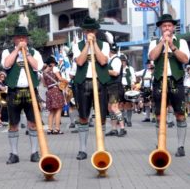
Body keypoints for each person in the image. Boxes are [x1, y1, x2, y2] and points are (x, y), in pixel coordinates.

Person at [148, 14, 190, 157]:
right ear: (160, 28)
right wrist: (162, 43)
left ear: (173, 28)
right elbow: (152, 57)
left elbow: (185, 59)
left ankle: (180, 146)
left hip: (176, 81)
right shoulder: (154, 42)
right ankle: (161, 144)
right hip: (159, 80)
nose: (167, 28)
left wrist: (171, 45)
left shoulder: (181, 42)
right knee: (159, 115)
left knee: (180, 114)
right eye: (164, 26)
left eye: (169, 26)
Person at [1, 26, 44, 164]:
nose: (21, 39)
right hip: (14, 91)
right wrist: (17, 50)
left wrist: (27, 53)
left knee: (33, 123)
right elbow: (7, 65)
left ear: (27, 38)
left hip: (31, 91)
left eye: (24, 37)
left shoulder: (34, 52)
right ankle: (14, 154)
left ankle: (34, 152)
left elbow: (37, 67)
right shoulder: (6, 52)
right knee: (13, 124)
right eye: (19, 37)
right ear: (14, 39)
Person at [72, 16, 110, 160]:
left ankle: (102, 147)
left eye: (92, 30)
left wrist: (94, 45)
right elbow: (80, 62)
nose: (89, 33)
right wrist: (87, 45)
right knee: (83, 116)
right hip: (83, 82)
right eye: (87, 30)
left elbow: (102, 60)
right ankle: (82, 149)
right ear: (83, 31)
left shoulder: (104, 45)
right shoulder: (78, 45)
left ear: (95, 31)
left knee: (101, 118)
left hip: (100, 82)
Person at [104, 31, 127, 137]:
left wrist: (103, 71)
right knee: (110, 108)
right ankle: (114, 129)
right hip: (110, 86)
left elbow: (115, 72)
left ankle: (122, 128)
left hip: (115, 87)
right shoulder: (111, 60)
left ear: (110, 51)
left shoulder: (116, 60)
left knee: (114, 108)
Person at [42, 56, 67, 135]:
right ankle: (57, 129)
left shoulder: (44, 72)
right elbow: (60, 79)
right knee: (58, 110)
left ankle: (49, 129)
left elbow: (44, 84)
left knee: (51, 111)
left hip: (49, 91)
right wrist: (67, 81)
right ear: (52, 63)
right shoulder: (55, 69)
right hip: (56, 90)